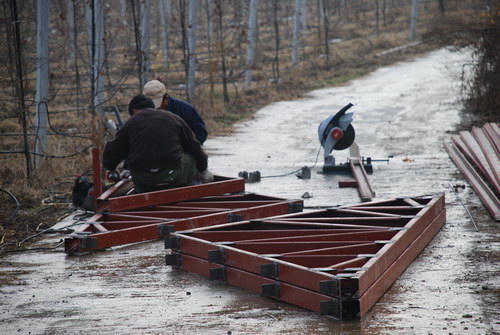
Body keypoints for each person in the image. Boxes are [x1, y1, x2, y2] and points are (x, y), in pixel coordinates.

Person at [103, 94, 213, 193]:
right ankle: (187, 190)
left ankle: (142, 193)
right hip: (172, 177)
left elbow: (111, 154)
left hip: (142, 181)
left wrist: (112, 168)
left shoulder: (130, 123)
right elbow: (195, 146)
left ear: (133, 111)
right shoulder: (173, 118)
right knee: (190, 156)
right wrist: (204, 170)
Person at [143, 80, 208, 145]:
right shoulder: (140, 111)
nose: (155, 109)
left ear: (166, 98)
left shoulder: (185, 109)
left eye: (157, 106)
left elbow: (201, 134)